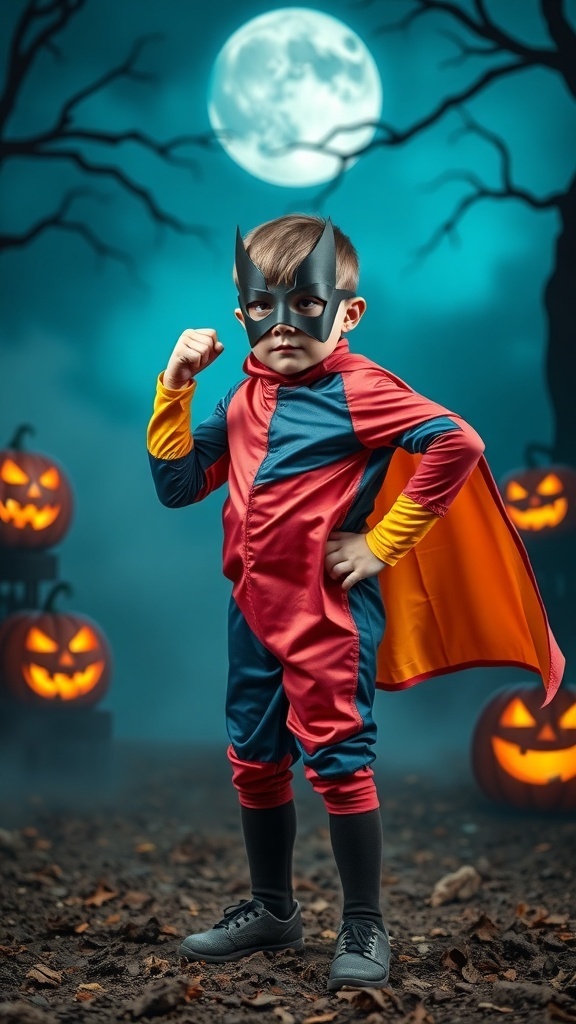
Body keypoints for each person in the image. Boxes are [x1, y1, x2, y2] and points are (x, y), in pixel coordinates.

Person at [146, 215, 563, 992]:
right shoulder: (241, 396)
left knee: (338, 762)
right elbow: (176, 486)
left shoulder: (360, 390)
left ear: (348, 311)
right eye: (262, 307)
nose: (281, 325)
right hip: (253, 611)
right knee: (255, 761)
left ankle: (364, 924)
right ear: (241, 315)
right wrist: (174, 386)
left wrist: (380, 545)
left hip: (327, 615)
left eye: (305, 304)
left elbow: (458, 443)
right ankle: (273, 909)